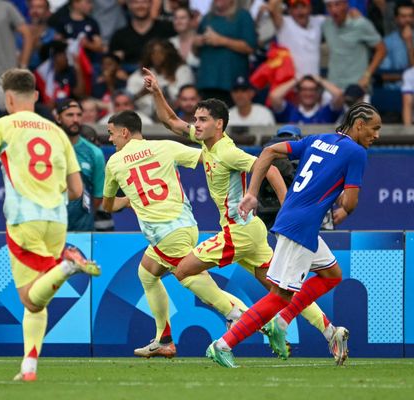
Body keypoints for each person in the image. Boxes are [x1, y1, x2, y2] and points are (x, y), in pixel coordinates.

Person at [144, 67, 340, 358]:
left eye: (202, 120)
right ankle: (331, 332)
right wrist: (158, 92)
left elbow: (270, 167)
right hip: (253, 231)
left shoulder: (227, 152)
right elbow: (171, 121)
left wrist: (286, 207)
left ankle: (236, 315)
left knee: (183, 270)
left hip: (237, 232)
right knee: (280, 291)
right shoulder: (204, 141)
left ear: (219, 124)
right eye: (196, 119)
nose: (195, 125)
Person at [206, 102, 381, 368]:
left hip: (295, 221)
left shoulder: (317, 139)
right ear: (359, 125)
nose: (377, 135)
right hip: (301, 227)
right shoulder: (356, 153)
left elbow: (268, 151)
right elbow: (350, 203)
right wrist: (344, 200)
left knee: (331, 275)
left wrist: (252, 192)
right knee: (278, 296)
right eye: (374, 128)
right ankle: (224, 344)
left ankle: (283, 320)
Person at [0, 68, 101, 382]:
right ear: (38, 96)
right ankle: (29, 367)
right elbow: (77, 191)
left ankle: (69, 266)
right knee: (37, 302)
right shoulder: (56, 132)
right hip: (57, 220)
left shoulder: (1, 125)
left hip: (24, 217)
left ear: (9, 98)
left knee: (29, 297)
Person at [103, 110, 251, 358]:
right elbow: (209, 158)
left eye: (111, 133)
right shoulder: (165, 146)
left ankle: (241, 316)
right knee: (147, 272)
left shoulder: (115, 163)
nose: (110, 140)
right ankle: (164, 339)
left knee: (191, 277)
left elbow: (107, 206)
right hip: (185, 226)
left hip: (165, 232)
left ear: (124, 132)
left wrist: (129, 200)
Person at [54, 98, 105, 231]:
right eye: (70, 115)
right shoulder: (48, 148)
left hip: (83, 230)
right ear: (58, 118)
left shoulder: (94, 153)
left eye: (79, 115)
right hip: (52, 226)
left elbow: (98, 195)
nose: (75, 119)